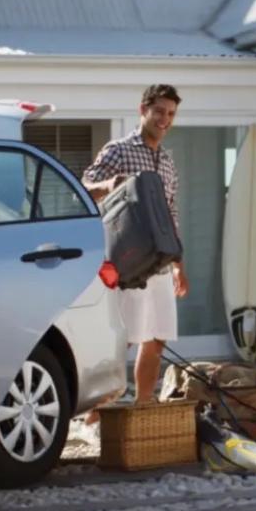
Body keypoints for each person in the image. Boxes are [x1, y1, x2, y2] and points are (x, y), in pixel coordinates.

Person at [82, 83, 190, 409]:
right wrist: (108, 184)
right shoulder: (118, 150)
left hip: (160, 263)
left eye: (170, 114)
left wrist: (179, 266)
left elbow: (171, 214)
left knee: (157, 337)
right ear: (142, 109)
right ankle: (98, 410)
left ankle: (144, 404)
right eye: (159, 111)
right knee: (124, 339)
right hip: (128, 263)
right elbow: (83, 186)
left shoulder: (168, 163)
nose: (164, 120)